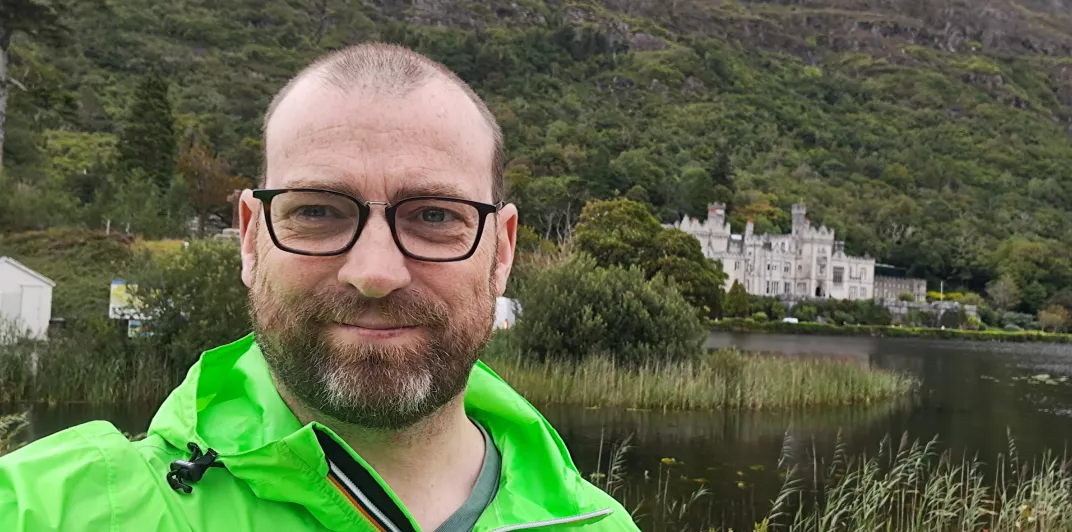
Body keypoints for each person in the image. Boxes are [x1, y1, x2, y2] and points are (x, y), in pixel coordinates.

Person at [0, 43, 637, 531]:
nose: (375, 272)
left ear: (501, 251)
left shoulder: (598, 525)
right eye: (317, 212)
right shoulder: (49, 508)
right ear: (251, 239)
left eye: (436, 216)